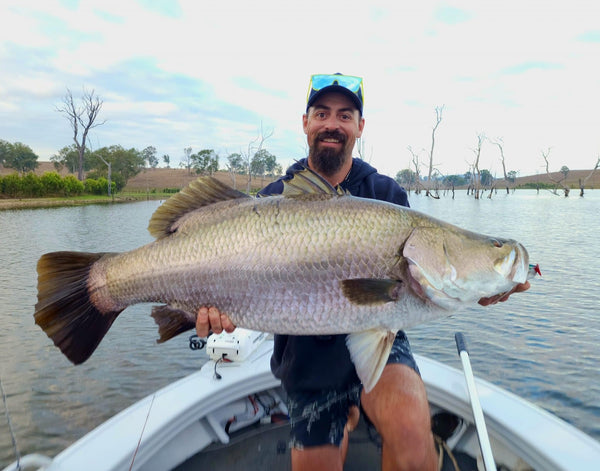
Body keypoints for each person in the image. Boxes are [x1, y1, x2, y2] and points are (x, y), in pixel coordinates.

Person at [196, 73, 530, 471]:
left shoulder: (386, 195)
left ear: (359, 127)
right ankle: (348, 412)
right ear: (306, 123)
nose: (332, 124)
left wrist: (484, 287)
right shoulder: (273, 200)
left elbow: (436, 285)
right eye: (322, 113)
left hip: (382, 330)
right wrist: (209, 314)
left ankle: (359, 409)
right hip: (305, 353)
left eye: (345, 115)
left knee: (413, 442)